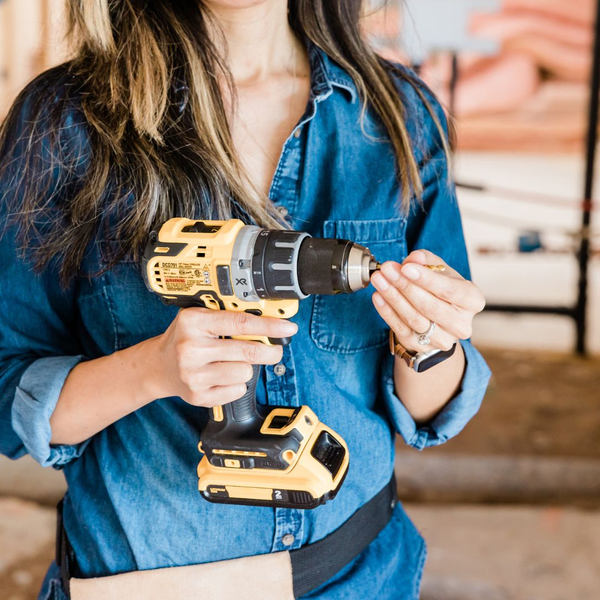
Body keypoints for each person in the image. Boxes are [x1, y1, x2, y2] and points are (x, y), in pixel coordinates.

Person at [0, 1, 491, 598]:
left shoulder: (397, 117)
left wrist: (428, 341)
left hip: (363, 577)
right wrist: (152, 371)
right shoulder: (68, 122)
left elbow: (429, 409)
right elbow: (8, 388)